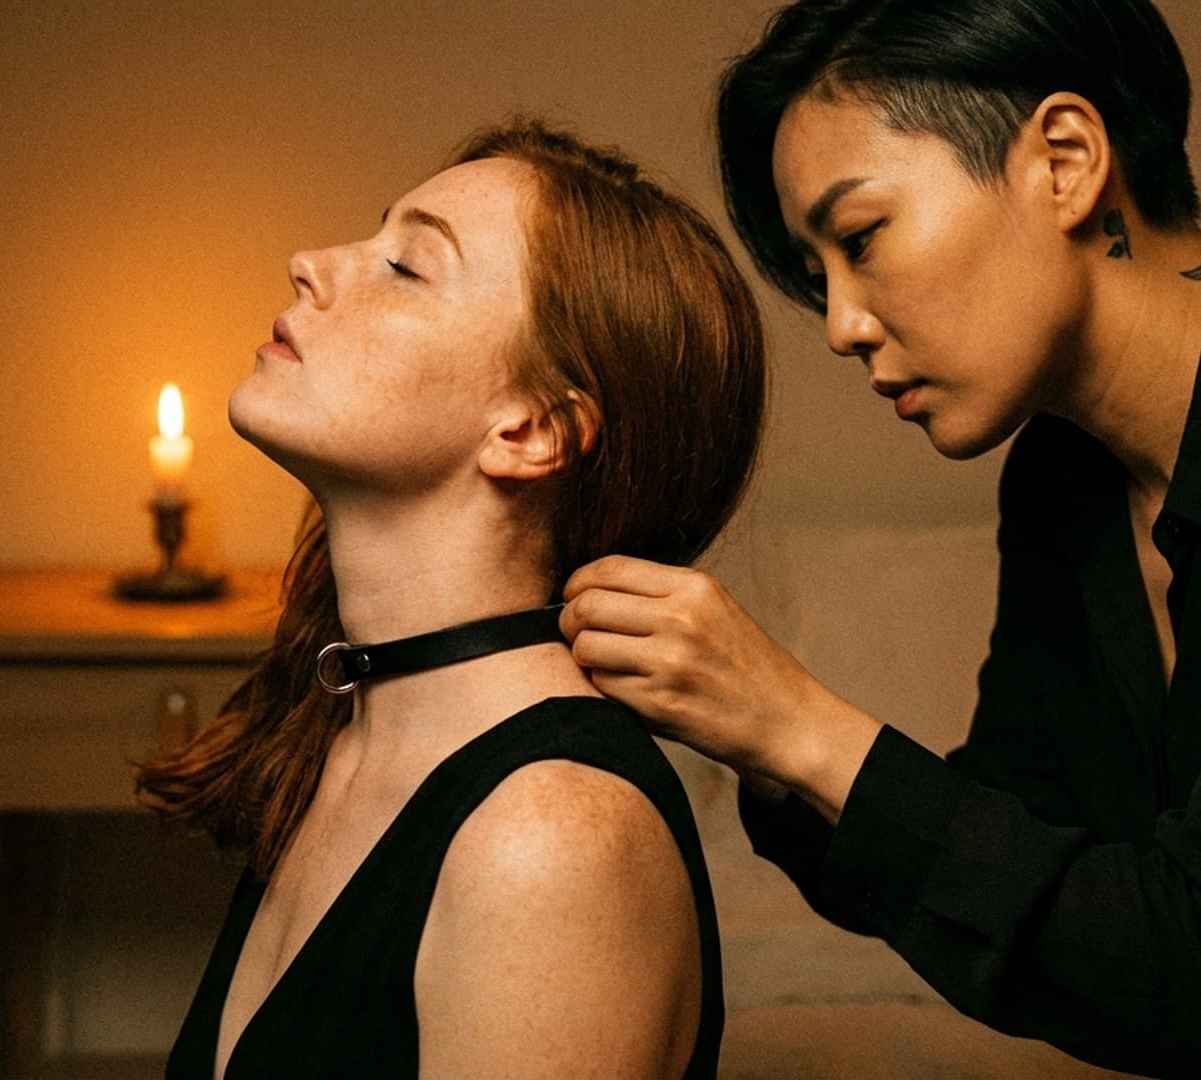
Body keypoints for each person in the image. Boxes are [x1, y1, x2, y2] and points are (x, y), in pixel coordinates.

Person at [559, 1, 1201, 1076]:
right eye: (817, 271)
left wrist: (797, 724)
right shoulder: (1065, 480)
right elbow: (1034, 844)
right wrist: (756, 741)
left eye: (863, 237)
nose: (840, 323)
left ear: (1065, 161)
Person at [137, 119, 766, 1080]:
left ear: (531, 431)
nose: (310, 263)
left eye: (409, 266)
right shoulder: (340, 742)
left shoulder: (552, 840)